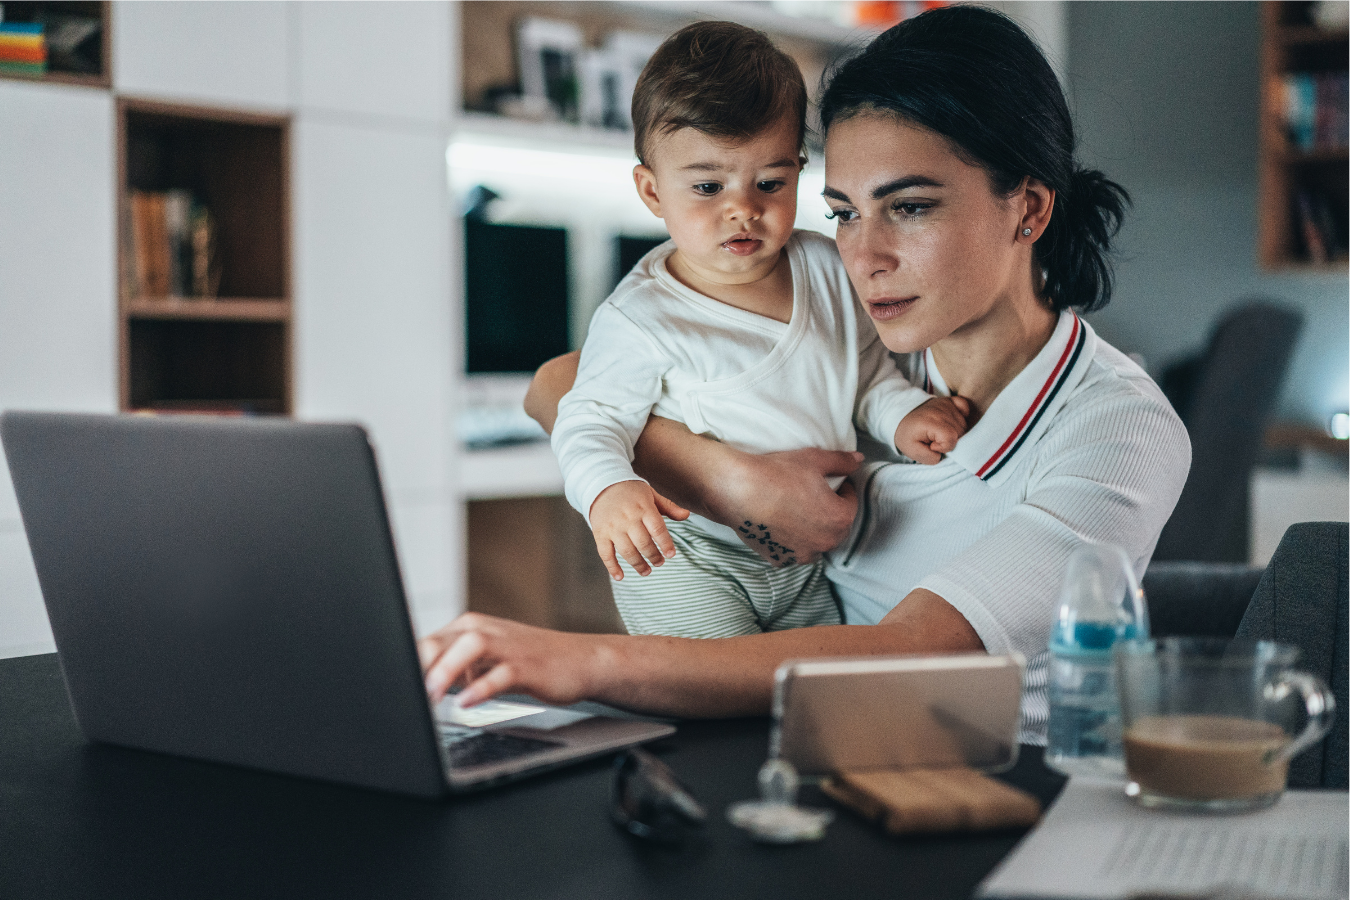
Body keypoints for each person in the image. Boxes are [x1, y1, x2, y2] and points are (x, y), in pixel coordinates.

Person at [420, 6, 1191, 740]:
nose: (864, 257)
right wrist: (728, 481)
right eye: (846, 212)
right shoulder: (865, 330)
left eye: (911, 207)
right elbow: (556, 382)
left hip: (983, 789)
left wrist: (582, 660)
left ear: (1026, 209)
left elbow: (920, 647)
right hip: (808, 760)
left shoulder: (1119, 427)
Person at [554, 21, 967, 640]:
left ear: (800, 171)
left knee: (809, 699)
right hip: (690, 557)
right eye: (707, 186)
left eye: (769, 183)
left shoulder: (826, 267)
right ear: (651, 191)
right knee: (708, 696)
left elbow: (863, 370)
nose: (742, 208)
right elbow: (589, 418)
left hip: (804, 567)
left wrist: (902, 415)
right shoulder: (640, 316)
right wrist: (608, 489)